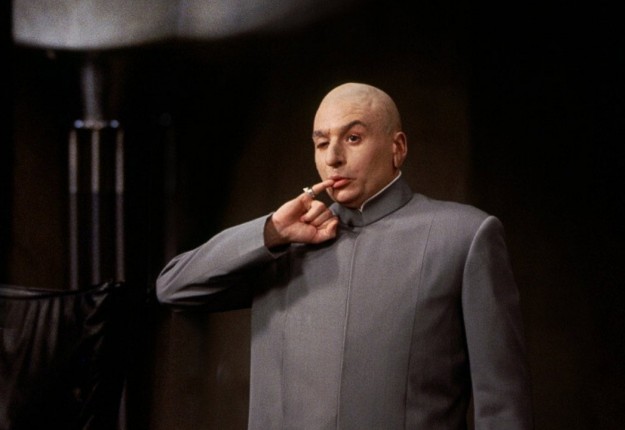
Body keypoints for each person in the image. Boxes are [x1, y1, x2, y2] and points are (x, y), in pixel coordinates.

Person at [156, 82, 533, 429]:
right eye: (322, 143)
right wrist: (271, 231)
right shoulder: (285, 245)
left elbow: (502, 407)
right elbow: (173, 288)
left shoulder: (463, 236)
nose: (333, 158)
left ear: (397, 148)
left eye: (353, 138)